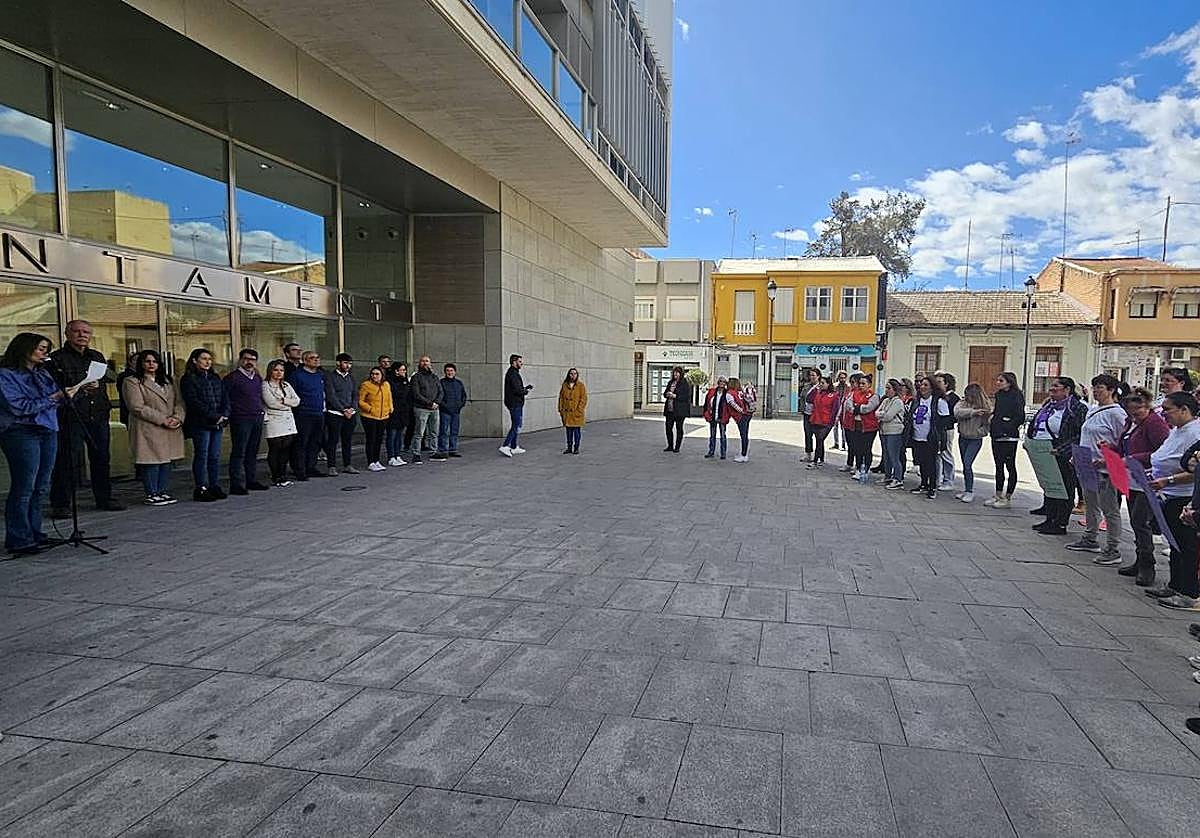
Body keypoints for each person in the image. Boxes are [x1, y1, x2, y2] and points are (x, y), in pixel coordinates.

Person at [0, 333, 73, 555]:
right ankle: (19, 538)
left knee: (41, 485)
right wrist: (53, 398)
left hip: (47, 429)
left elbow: (55, 401)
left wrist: (73, 393)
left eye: (46, 349)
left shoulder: (43, 373)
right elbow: (19, 407)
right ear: (25, 348)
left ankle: (35, 531)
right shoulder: (6, 375)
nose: (45, 354)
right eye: (41, 349)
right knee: (25, 486)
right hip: (20, 431)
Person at [48, 319, 124, 518]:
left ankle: (104, 498)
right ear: (67, 334)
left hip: (97, 414)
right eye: (77, 331)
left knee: (101, 457)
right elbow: (55, 387)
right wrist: (81, 386)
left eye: (86, 332)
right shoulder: (57, 358)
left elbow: (109, 377)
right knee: (67, 460)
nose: (82, 335)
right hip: (71, 415)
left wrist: (99, 383)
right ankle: (61, 503)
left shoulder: (96, 356)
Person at [1145, 391, 1200, 609]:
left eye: (1168, 410)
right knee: (1175, 543)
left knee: (1187, 546)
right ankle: (1175, 584)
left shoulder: (1195, 432)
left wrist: (1168, 479)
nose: (1164, 414)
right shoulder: (1177, 430)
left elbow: (1195, 471)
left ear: (1184, 410)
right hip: (1169, 494)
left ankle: (1189, 592)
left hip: (1185, 495)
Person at [1067, 374, 1129, 564]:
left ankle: (1113, 547)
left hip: (1105, 467)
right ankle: (1090, 537)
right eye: (1094, 388)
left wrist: (1110, 459)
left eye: (1100, 388)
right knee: (1091, 503)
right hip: (1087, 463)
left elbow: (1122, 441)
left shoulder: (1117, 414)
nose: (1096, 391)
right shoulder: (1093, 410)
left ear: (1111, 390)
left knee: (1109, 508)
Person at [1115, 387, 1169, 587]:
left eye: (1138, 413)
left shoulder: (1155, 423)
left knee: (1140, 521)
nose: (1135, 417)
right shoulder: (1131, 423)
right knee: (1135, 520)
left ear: (1147, 408)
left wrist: (1134, 458)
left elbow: (1162, 452)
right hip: (1132, 478)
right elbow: (1124, 446)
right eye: (1131, 413)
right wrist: (1112, 450)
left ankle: (1147, 564)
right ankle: (1140, 560)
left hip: (1149, 479)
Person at [123, 349, 184, 506]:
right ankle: (152, 493)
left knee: (166, 461)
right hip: (149, 426)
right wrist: (163, 419)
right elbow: (136, 406)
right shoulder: (133, 381)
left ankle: (162, 491)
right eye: (147, 361)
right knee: (152, 461)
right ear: (141, 363)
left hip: (170, 426)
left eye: (154, 361)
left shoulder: (168, 381)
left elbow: (179, 402)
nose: (151, 364)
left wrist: (177, 418)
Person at [1028, 377, 1088, 536]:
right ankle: (1050, 518)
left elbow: (1079, 434)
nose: (1051, 389)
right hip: (1045, 450)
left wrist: (1062, 450)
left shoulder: (1077, 408)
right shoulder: (1049, 406)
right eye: (1051, 386)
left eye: (1056, 386)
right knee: (1050, 486)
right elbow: (1035, 424)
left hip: (1063, 453)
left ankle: (1060, 522)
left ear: (1067, 390)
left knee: (1064, 488)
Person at [179, 347, 229, 502]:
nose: (207, 362)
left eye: (209, 359)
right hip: (201, 423)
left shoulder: (214, 377)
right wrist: (214, 416)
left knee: (214, 456)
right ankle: (201, 487)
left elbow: (225, 397)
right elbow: (193, 402)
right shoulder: (189, 379)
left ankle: (214, 485)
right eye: (204, 359)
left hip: (218, 423)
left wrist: (224, 414)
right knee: (202, 455)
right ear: (195, 360)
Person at [224, 348, 269, 495]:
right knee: (239, 451)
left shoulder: (257, 378)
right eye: (246, 359)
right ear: (240, 360)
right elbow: (225, 398)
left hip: (256, 417)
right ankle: (236, 484)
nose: (249, 362)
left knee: (252, 451)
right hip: (240, 419)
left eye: (253, 360)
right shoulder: (232, 378)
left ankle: (251, 480)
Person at [983, 372, 1024, 509]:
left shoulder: (1017, 395)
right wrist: (993, 420)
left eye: (1001, 380)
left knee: (1009, 465)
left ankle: (1008, 496)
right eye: (997, 380)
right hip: (996, 433)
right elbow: (998, 411)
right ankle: (998, 493)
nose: (998, 383)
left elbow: (1020, 416)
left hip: (1009, 435)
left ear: (1009, 382)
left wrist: (1007, 425)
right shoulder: (999, 395)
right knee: (998, 465)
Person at [905, 375, 948, 499]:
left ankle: (932, 486)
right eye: (921, 385)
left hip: (931, 437)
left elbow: (945, 420)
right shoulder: (916, 401)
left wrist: (937, 433)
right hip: (917, 436)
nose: (922, 387)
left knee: (931, 463)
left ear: (932, 388)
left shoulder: (938, 401)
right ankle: (923, 484)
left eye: (926, 385)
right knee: (921, 462)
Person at [287, 350, 328, 480]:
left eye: (317, 357)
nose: (316, 360)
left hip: (319, 412)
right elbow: (291, 394)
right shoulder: (297, 375)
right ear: (304, 361)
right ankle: (300, 470)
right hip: (303, 413)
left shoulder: (320, 375)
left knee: (315, 442)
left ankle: (311, 467)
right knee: (301, 442)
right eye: (312, 358)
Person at [261, 359, 300, 487]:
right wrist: (288, 404)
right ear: (270, 371)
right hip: (273, 419)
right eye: (276, 370)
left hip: (287, 419)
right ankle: (275, 475)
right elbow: (271, 403)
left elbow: (297, 401)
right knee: (275, 447)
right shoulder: (265, 385)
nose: (279, 373)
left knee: (286, 448)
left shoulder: (286, 385)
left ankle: (282, 474)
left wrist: (284, 400)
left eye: (281, 370)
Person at [953, 383, 992, 503]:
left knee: (967, 463)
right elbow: (957, 412)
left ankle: (970, 491)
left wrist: (979, 432)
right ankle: (966, 489)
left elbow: (988, 424)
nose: (966, 397)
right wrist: (973, 412)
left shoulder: (985, 406)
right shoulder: (962, 403)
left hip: (975, 439)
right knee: (964, 464)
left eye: (969, 395)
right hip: (963, 437)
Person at [323, 353, 358, 475]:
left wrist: (352, 409)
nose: (348, 366)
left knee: (347, 440)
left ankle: (347, 464)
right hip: (335, 413)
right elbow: (331, 396)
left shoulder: (351, 378)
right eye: (345, 363)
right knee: (333, 440)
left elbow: (355, 395)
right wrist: (343, 409)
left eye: (350, 364)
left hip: (350, 413)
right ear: (338, 363)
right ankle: (331, 466)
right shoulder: (330, 377)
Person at [358, 366, 393, 472]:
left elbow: (389, 397)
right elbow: (360, 400)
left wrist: (390, 408)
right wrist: (369, 409)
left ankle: (376, 460)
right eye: (373, 374)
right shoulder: (366, 385)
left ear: (382, 375)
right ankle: (371, 462)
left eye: (377, 374)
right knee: (371, 439)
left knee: (379, 439)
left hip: (383, 416)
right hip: (370, 416)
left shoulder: (386, 384)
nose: (374, 376)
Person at [409, 355, 443, 464]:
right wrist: (429, 403)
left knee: (434, 432)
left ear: (430, 363)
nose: (425, 363)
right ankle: (416, 454)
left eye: (427, 361)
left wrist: (436, 402)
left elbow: (440, 391)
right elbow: (416, 393)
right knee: (419, 432)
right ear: (419, 363)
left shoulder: (434, 377)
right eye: (423, 361)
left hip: (435, 408)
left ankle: (433, 452)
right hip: (421, 408)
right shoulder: (416, 377)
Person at [846, 374, 880, 481]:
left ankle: (865, 469)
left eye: (863, 383)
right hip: (856, 425)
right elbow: (848, 405)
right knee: (857, 448)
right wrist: (856, 408)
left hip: (869, 427)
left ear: (869, 385)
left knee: (866, 449)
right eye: (860, 383)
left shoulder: (873, 396)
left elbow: (868, 408)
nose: (861, 385)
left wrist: (857, 408)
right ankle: (858, 467)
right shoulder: (854, 393)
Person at [877, 379, 907, 489]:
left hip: (894, 432)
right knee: (886, 455)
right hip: (884, 430)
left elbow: (889, 416)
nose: (887, 390)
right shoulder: (885, 401)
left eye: (889, 388)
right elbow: (877, 412)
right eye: (886, 388)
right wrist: (882, 414)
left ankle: (898, 479)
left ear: (895, 390)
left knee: (894, 456)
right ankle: (888, 476)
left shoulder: (897, 402)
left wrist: (882, 415)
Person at [500, 354, 532, 457]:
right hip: (515, 403)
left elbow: (516, 388)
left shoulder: (513, 373)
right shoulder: (513, 374)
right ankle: (505, 445)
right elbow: (517, 390)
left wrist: (525, 388)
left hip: (514, 402)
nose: (521, 363)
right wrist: (525, 391)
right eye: (519, 362)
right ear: (514, 362)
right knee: (516, 425)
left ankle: (513, 447)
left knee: (516, 424)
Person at [437, 363, 468, 459]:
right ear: (445, 372)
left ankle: (453, 449)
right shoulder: (441, 382)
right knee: (444, 431)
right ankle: (443, 450)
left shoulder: (459, 383)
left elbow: (464, 396)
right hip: (445, 411)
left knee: (454, 431)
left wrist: (460, 405)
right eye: (447, 371)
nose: (449, 373)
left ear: (455, 372)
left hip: (456, 411)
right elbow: (439, 397)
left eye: (451, 371)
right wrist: (445, 406)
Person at [935, 372, 960, 491]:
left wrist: (944, 421)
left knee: (946, 453)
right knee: (937, 454)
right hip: (938, 429)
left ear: (947, 384)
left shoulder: (953, 398)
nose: (937, 384)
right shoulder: (938, 396)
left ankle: (949, 480)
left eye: (939, 382)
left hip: (947, 429)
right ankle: (937, 478)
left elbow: (954, 416)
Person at [806, 377, 838, 469]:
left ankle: (815, 461)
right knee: (819, 441)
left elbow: (835, 410)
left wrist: (831, 422)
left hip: (826, 422)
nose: (821, 384)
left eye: (823, 383)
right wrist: (815, 388)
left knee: (820, 439)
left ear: (828, 384)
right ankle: (821, 459)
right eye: (820, 382)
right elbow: (809, 399)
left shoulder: (834, 395)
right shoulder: (818, 393)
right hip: (816, 420)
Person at [558, 367, 588, 454]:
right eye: (571, 373)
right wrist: (561, 409)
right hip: (567, 413)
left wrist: (579, 409)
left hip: (576, 413)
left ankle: (576, 448)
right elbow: (561, 398)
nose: (573, 375)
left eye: (575, 374)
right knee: (568, 432)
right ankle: (569, 447)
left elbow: (584, 399)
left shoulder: (581, 386)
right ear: (569, 374)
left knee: (577, 431)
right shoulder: (564, 385)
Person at [386, 362, 411, 467]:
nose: (404, 372)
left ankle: (397, 455)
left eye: (405, 370)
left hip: (403, 411)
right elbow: (396, 393)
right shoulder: (390, 381)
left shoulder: (405, 381)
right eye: (402, 370)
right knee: (392, 434)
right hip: (393, 410)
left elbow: (408, 393)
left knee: (399, 435)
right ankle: (391, 456)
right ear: (396, 371)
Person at [837, 373, 863, 472]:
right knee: (850, 445)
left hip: (854, 423)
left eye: (853, 382)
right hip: (846, 421)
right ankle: (849, 463)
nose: (851, 384)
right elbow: (843, 404)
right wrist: (838, 416)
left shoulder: (859, 393)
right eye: (850, 382)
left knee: (855, 445)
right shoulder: (850, 392)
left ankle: (858, 465)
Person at [662, 366, 691, 453]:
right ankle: (670, 446)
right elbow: (665, 393)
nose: (675, 374)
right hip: (670, 410)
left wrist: (675, 396)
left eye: (677, 372)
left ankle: (677, 447)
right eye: (674, 372)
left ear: (681, 374)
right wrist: (667, 394)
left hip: (679, 410)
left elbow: (686, 397)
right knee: (668, 428)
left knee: (679, 428)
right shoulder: (671, 382)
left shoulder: (684, 383)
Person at [702, 376, 732, 460]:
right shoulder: (712, 392)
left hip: (722, 417)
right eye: (720, 381)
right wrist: (706, 413)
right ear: (718, 382)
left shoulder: (727, 394)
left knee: (723, 436)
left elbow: (730, 406)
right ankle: (711, 452)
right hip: (712, 417)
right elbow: (706, 403)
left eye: (724, 382)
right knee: (712, 436)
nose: (722, 383)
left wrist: (728, 416)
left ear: (725, 384)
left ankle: (723, 453)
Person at [728, 377, 754, 462]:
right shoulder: (740, 392)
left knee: (743, 435)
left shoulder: (730, 393)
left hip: (741, 416)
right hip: (748, 414)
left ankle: (743, 455)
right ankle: (745, 454)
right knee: (745, 435)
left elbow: (732, 404)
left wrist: (741, 411)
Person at [799, 368, 820, 462]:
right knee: (808, 434)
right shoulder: (806, 386)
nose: (811, 377)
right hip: (807, 414)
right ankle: (808, 454)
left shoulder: (820, 387)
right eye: (810, 375)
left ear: (818, 376)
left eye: (813, 375)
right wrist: (802, 408)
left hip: (816, 415)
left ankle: (818, 456)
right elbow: (802, 397)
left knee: (818, 436)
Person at [831, 370, 849, 450]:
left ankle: (844, 443)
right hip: (836, 408)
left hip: (844, 408)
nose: (843, 379)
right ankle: (836, 443)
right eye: (841, 378)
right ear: (838, 378)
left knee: (843, 427)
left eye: (844, 378)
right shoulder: (834, 386)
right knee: (835, 426)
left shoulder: (848, 386)